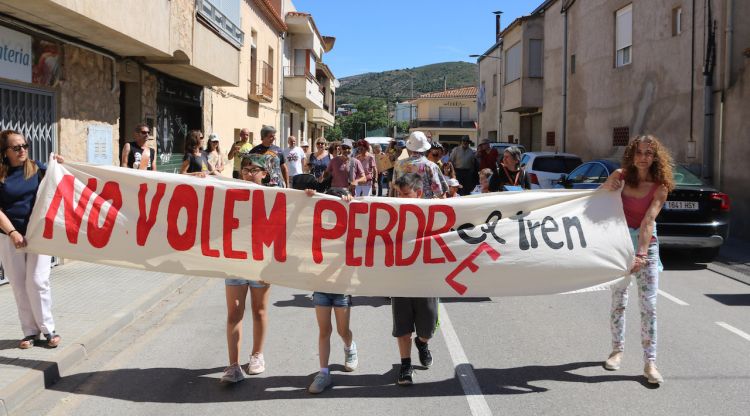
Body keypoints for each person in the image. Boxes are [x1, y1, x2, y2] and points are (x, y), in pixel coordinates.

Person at [599, 134, 674, 385]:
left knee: (649, 306)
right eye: (639, 152)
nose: (643, 158)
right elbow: (597, 203)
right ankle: (616, 351)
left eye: (649, 153)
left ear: (655, 157)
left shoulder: (661, 185)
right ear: (632, 154)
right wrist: (606, 185)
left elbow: (648, 221)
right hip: (619, 245)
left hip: (647, 246)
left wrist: (642, 253)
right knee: (619, 299)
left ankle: (650, 363)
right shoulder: (620, 176)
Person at [0, 130, 63, 349]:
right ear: (4, 152)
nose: (23, 151)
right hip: (9, 237)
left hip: (37, 234)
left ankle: (48, 329)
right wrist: (12, 233)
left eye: (25, 146)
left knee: (37, 281)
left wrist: (61, 164)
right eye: (16, 147)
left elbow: (61, 177)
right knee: (18, 284)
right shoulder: (1, 174)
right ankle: (29, 331)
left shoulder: (36, 168)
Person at [220, 154, 274, 383]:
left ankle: (257, 355)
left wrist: (309, 195)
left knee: (259, 310)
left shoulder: (275, 196)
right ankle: (233, 366)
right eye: (245, 169)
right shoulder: (230, 191)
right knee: (234, 312)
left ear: (265, 174)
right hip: (234, 261)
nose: (249, 173)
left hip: (261, 261)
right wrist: (200, 178)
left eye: (254, 169)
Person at [303, 187, 359, 394]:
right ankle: (324, 372)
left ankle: (349, 347)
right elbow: (297, 218)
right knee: (324, 330)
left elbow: (363, 222)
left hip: (342, 286)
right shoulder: (316, 223)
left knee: (343, 330)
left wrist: (351, 202)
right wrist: (308, 198)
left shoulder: (349, 223)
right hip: (321, 286)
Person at [391, 173, 439, 385]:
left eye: (405, 194)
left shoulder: (434, 212)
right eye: (398, 194)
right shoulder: (391, 211)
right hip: (401, 279)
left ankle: (422, 343)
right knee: (403, 329)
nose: (401, 198)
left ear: (418, 193)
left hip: (426, 280)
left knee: (427, 328)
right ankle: (405, 365)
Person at [391, 131, 445, 198]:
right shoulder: (431, 166)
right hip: (423, 206)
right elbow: (439, 192)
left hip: (403, 204)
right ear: (425, 148)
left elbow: (395, 186)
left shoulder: (398, 164)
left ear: (409, 147)